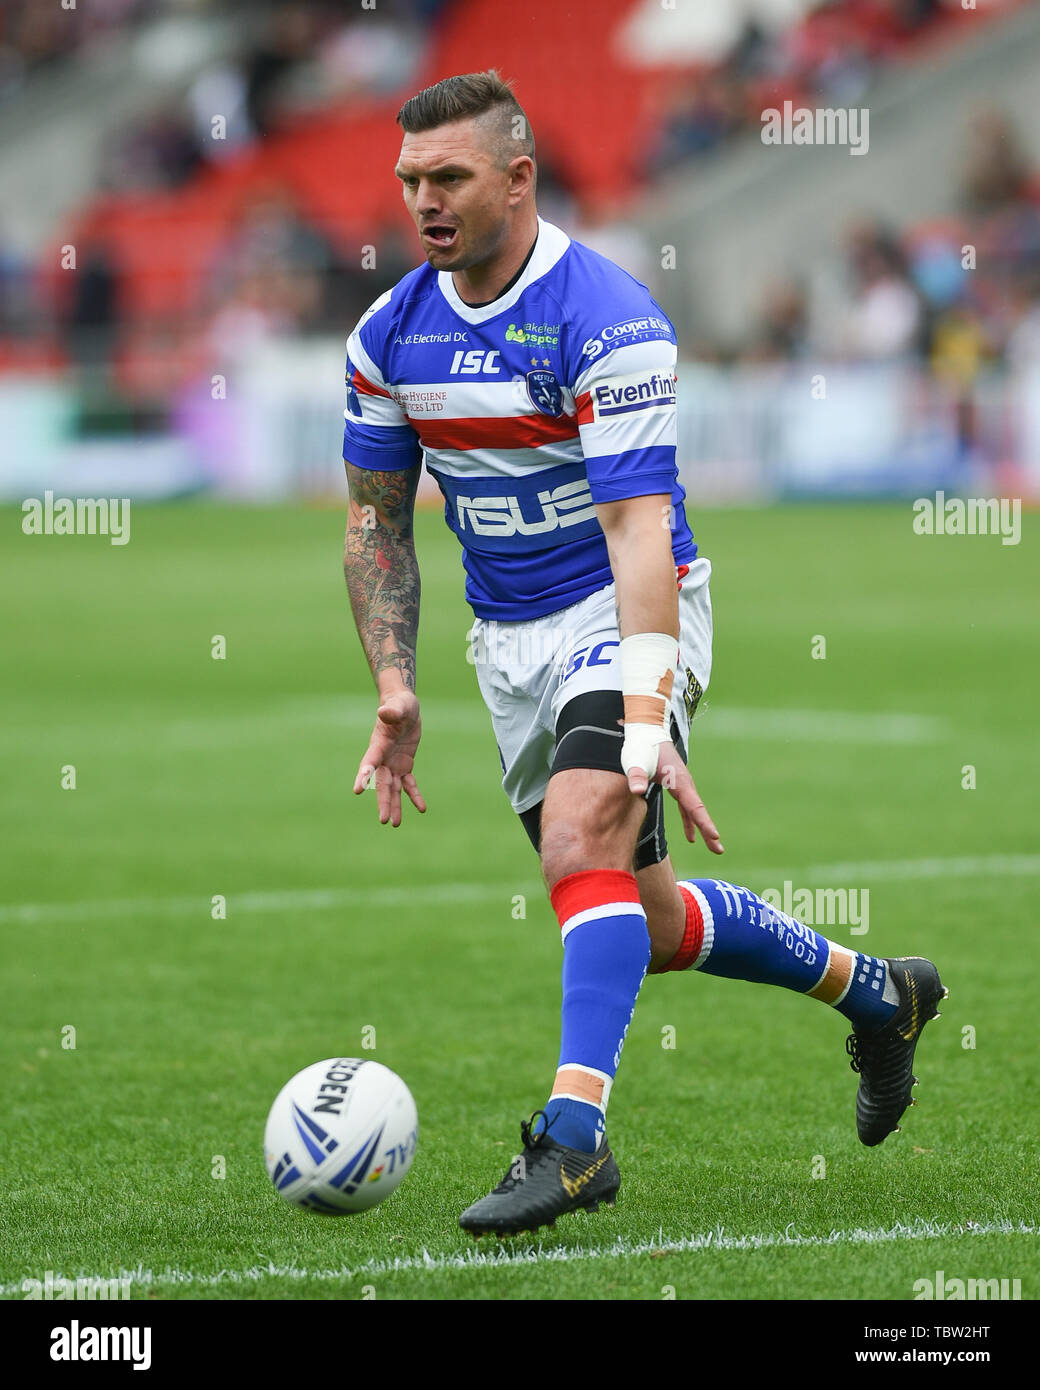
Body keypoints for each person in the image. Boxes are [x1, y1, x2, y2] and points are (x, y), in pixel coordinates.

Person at [341, 70, 946, 1238]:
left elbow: (635, 530)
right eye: (410, 178)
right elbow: (374, 522)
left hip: (626, 611)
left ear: (518, 178)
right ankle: (878, 995)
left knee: (578, 835)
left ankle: (572, 1143)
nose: (423, 200)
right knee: (644, 920)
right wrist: (395, 679)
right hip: (507, 641)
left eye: (449, 176)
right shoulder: (387, 335)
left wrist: (641, 710)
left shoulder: (605, 318)